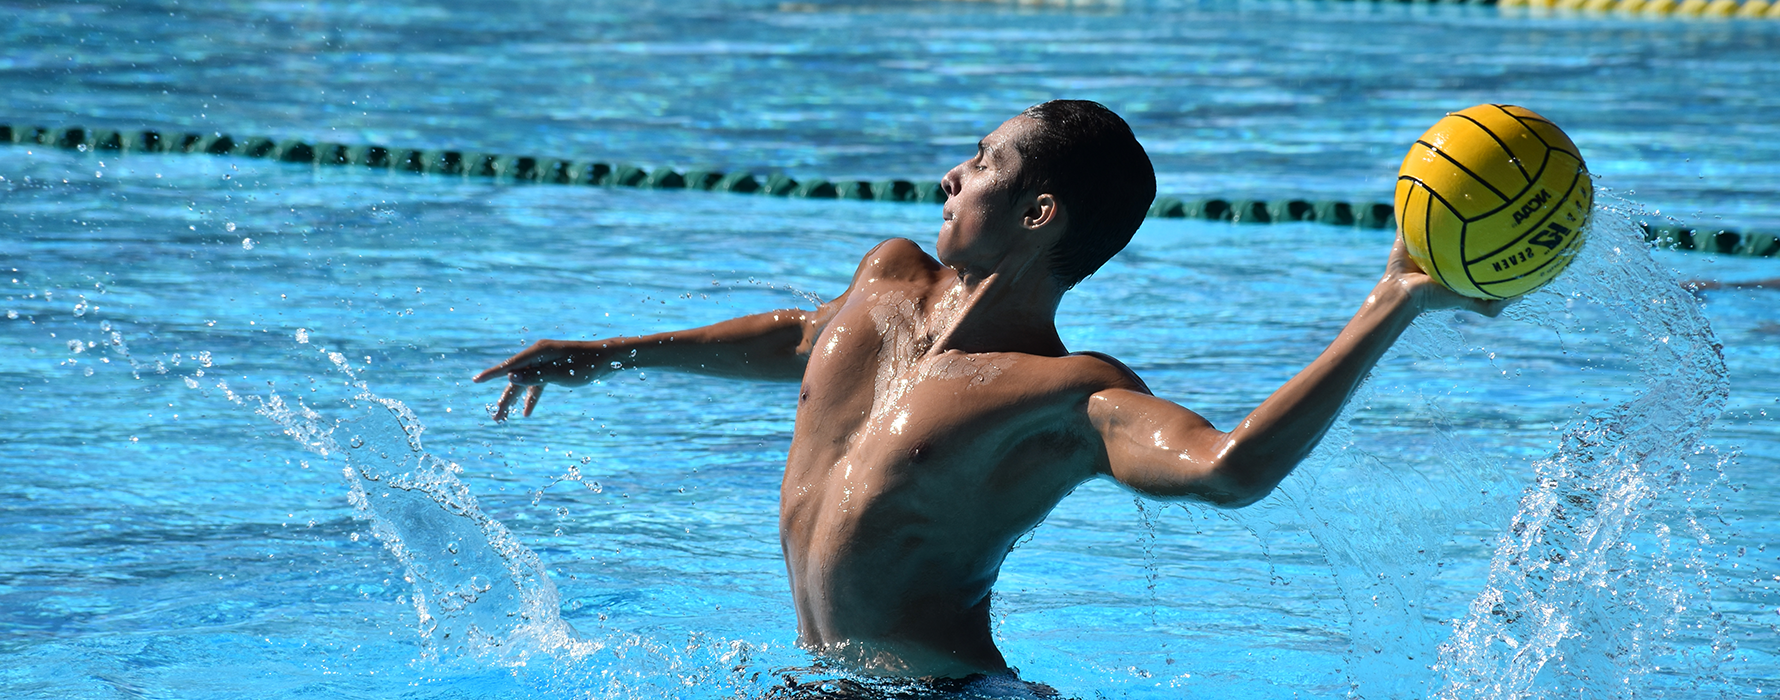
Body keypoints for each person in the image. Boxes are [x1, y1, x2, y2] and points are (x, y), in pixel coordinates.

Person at [474, 100, 1504, 682]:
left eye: (978, 163)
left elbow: (1231, 470)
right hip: (813, 681)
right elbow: (800, 337)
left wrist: (1391, 304)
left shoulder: (1065, 395)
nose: (949, 178)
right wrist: (609, 351)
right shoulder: (882, 286)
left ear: (1037, 210)